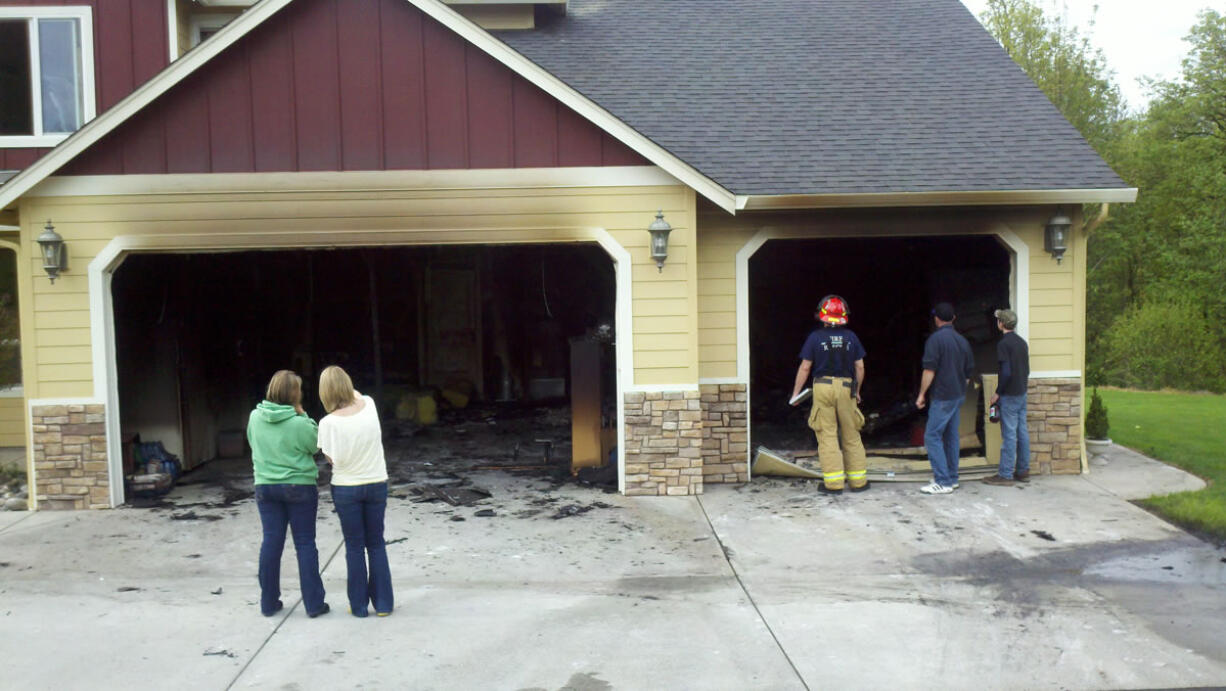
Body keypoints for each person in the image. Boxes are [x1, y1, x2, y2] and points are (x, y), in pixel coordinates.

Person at [247, 370, 329, 618]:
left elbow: (253, 443)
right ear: (294, 395)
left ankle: (268, 602)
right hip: (299, 487)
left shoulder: (254, 417)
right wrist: (302, 413)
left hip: (265, 487)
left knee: (271, 542)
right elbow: (316, 444)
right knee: (304, 544)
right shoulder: (298, 422)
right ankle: (314, 605)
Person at [317, 365, 394, 618]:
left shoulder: (327, 423)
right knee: (376, 544)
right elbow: (357, 395)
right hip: (376, 483)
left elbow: (331, 460)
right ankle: (383, 604)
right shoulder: (369, 404)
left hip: (347, 489)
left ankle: (359, 606)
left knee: (354, 546)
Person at [790, 295, 869, 494]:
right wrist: (857, 391)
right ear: (844, 316)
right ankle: (858, 483)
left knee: (827, 436)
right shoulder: (851, 337)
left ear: (822, 316)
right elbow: (859, 367)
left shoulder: (815, 338)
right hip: (846, 387)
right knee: (851, 434)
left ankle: (833, 485)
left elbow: (805, 367)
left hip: (822, 387)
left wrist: (795, 394)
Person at [915, 302, 975, 495]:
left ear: (936, 319)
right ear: (954, 318)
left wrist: (921, 394)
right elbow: (968, 373)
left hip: (943, 396)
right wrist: (959, 389)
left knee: (932, 436)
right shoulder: (962, 341)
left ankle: (942, 481)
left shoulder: (935, 340)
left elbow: (929, 370)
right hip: (957, 395)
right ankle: (952, 478)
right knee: (950, 436)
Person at [983, 308, 1031, 486]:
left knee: (1009, 435)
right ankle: (1023, 470)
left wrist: (997, 392)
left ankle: (1005, 475)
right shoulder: (1021, 343)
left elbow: (1006, 372)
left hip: (1009, 394)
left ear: (1001, 323)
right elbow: (1026, 370)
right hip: (1021, 392)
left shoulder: (1003, 344)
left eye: (998, 320)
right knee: (1022, 432)